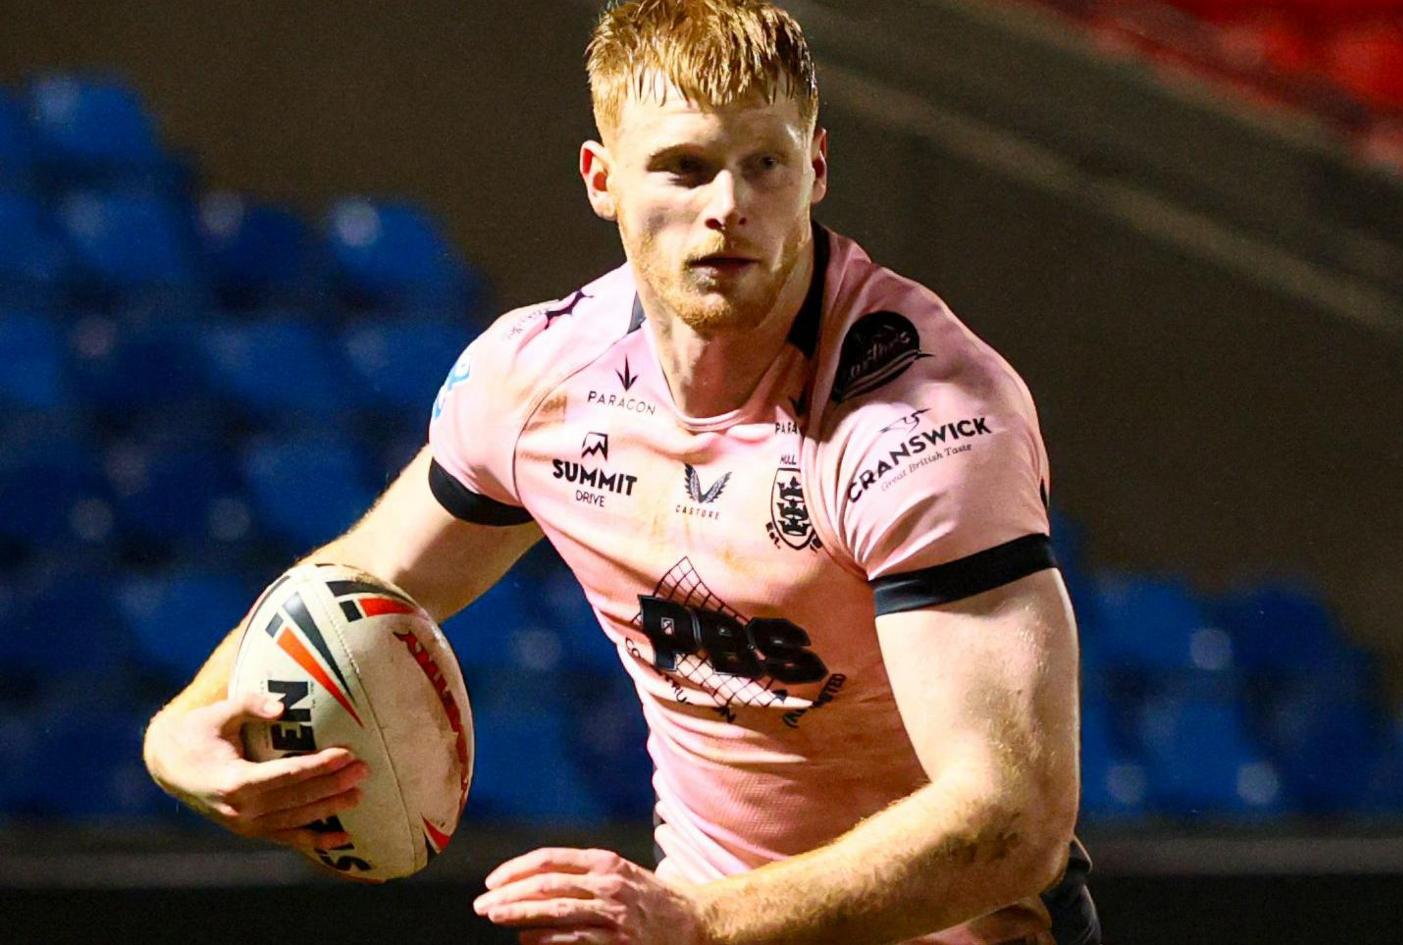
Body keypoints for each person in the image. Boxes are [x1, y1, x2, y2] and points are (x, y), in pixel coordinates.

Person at [141, 1, 1095, 942]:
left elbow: (1015, 820)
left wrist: (701, 920)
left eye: (765, 163)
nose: (728, 207)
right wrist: (182, 725)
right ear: (602, 178)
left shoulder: (925, 424)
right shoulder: (538, 382)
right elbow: (364, 582)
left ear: (817, 168)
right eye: (684, 166)